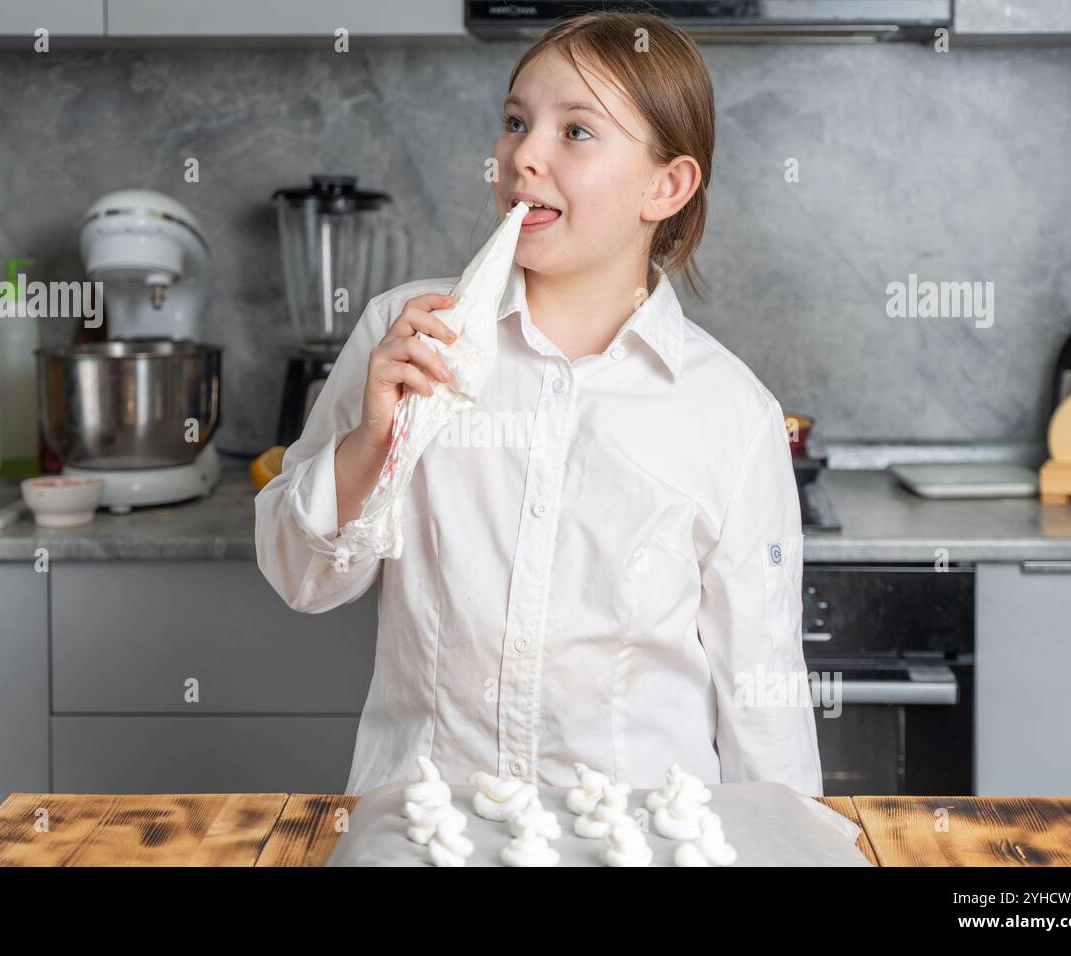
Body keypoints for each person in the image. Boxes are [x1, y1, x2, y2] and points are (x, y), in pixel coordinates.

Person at [255, 9, 822, 797]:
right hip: (428, 829)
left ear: (667, 185)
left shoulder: (731, 412)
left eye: (576, 132)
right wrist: (369, 445)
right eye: (516, 122)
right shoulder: (408, 335)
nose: (523, 155)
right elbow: (301, 579)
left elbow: (764, 695)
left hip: (640, 844)